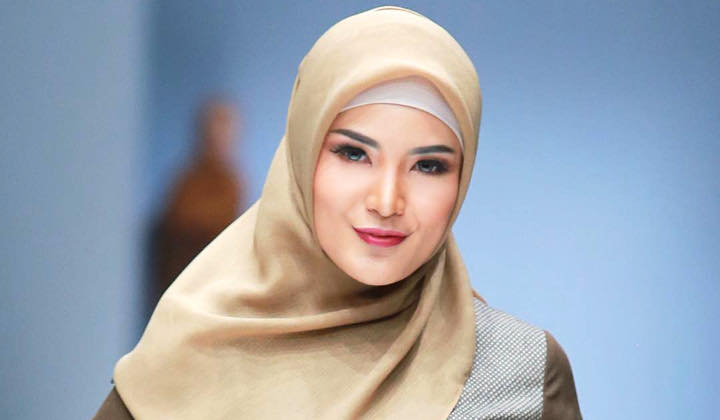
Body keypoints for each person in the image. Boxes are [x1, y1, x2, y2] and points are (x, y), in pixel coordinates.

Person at [94, 6, 581, 420]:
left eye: (429, 166)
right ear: (301, 156)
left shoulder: (521, 374)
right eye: (353, 153)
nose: (387, 201)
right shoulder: (186, 356)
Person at [148, 100, 246, 311]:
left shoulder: (232, 183)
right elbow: (179, 224)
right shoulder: (186, 181)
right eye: (215, 128)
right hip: (183, 289)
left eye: (226, 129)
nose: (220, 136)